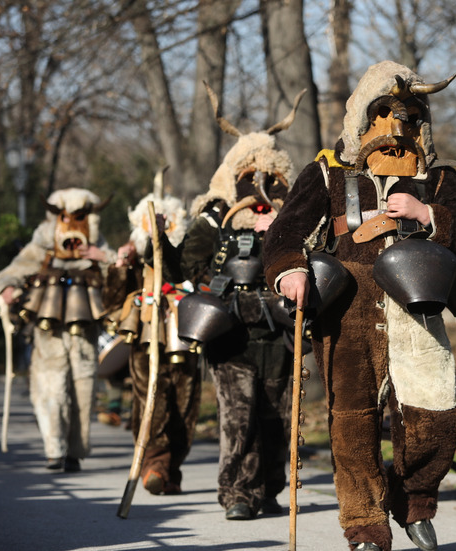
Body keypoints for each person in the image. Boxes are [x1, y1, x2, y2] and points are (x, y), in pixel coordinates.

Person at [263, 61, 456, 551]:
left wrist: (430, 214)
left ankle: (413, 499)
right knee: (352, 423)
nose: (392, 126)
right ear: (360, 120)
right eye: (380, 113)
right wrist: (290, 269)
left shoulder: (442, 180)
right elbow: (284, 234)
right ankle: (364, 525)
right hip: (348, 312)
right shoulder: (326, 174)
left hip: (420, 310)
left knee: (439, 412)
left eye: (404, 114)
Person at [178, 84, 306, 521]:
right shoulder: (215, 214)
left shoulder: (294, 217)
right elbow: (189, 260)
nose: (260, 184)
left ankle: (269, 487)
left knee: (277, 416)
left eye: (268, 175)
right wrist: (219, 274)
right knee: (237, 415)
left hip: (280, 331)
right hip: (229, 330)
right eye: (250, 174)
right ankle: (237, 492)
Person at [0, 188, 114, 472]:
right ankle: (54, 448)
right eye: (65, 216)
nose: (72, 224)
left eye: (80, 216)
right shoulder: (43, 246)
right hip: (49, 331)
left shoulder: (98, 247)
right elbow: (13, 270)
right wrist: (8, 286)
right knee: (51, 386)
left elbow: (119, 277)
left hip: (84, 331)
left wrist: (102, 256)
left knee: (83, 388)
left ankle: (75, 451)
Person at [103, 192, 200, 495]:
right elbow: (112, 302)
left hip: (184, 332)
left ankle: (171, 470)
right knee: (151, 399)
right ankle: (153, 465)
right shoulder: (133, 255)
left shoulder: (191, 251)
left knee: (185, 404)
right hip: (146, 334)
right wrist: (120, 267)